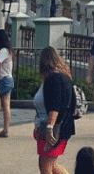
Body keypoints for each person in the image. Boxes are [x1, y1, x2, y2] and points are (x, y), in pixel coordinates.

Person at [33, 46, 76, 174]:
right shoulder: (65, 77)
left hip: (53, 129)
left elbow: (54, 106)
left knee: (46, 165)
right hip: (64, 127)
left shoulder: (52, 79)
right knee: (50, 163)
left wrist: (49, 127)